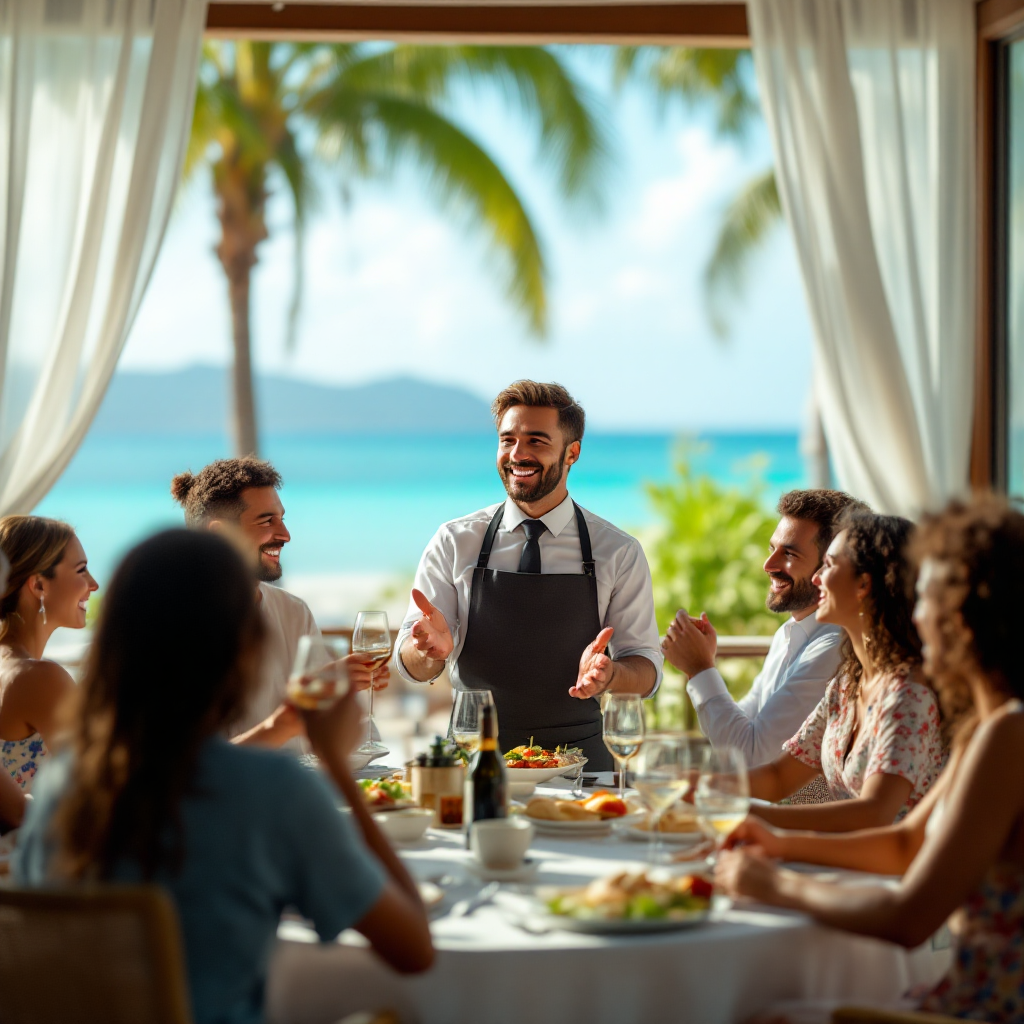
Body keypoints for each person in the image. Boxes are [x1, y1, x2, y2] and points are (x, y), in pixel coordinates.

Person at [15, 530, 433, 1024]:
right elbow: (415, 951)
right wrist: (337, 767)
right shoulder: (271, 789)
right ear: (243, 649)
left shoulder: (63, 784)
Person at [718, 496, 1024, 1024]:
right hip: (962, 995)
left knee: (763, 1014)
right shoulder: (989, 726)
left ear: (966, 616)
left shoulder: (1007, 734)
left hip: (982, 1009)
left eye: (926, 599)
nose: (916, 613)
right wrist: (772, 837)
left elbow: (908, 917)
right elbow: (908, 844)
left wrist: (774, 883)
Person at [396, 381, 663, 769]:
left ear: (572, 453)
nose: (517, 454)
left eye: (536, 441)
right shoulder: (455, 541)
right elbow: (410, 663)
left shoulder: (617, 551)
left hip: (583, 767)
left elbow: (646, 666)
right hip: (471, 760)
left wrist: (612, 674)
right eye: (508, 440)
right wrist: (428, 652)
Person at [740, 511, 944, 831]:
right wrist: (694, 786)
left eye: (829, 565)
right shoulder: (847, 685)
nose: (816, 577)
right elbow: (778, 777)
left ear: (864, 584)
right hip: (845, 863)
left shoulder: (908, 694)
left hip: (894, 874)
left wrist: (738, 815)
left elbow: (873, 814)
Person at [171, 457, 387, 748]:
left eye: (282, 518)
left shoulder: (293, 612)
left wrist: (344, 695)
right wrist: (288, 719)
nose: (285, 535)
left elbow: (336, 734)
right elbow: (183, 773)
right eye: (266, 520)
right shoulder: (169, 627)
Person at [662, 490, 867, 778]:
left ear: (833, 566)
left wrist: (700, 669)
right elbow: (745, 724)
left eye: (790, 554)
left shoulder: (834, 646)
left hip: (799, 819)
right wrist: (701, 661)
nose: (768, 565)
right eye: (772, 548)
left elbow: (753, 757)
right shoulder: (790, 632)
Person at [0, 516, 98, 833]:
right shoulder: (40, 678)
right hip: (28, 876)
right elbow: (101, 788)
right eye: (81, 570)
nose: (93, 584)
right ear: (39, 584)